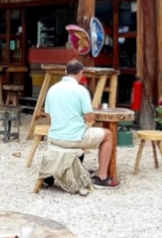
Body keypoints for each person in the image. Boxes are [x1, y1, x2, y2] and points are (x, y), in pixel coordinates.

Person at [44, 59, 118, 189]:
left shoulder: (52, 89)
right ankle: (102, 177)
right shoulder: (81, 90)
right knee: (108, 134)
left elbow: (48, 117)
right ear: (80, 74)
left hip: (54, 137)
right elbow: (89, 118)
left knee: (76, 133)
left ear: (65, 72)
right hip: (74, 138)